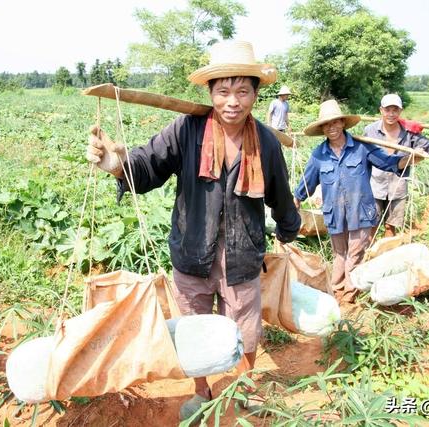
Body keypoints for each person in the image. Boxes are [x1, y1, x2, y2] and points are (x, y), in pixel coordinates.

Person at [86, 40, 301, 420]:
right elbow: (148, 164)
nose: (232, 101)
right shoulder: (187, 130)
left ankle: (243, 387)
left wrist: (288, 227)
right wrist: (116, 163)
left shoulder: (266, 141)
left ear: (255, 93)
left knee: (245, 328)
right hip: (192, 251)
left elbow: (280, 193)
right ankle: (202, 391)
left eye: (242, 91)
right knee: (194, 328)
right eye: (223, 91)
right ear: (210, 93)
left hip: (242, 255)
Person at [293, 100, 424, 303]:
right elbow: (308, 180)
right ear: (322, 129)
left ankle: (349, 294)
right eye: (327, 125)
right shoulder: (319, 154)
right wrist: (297, 198)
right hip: (334, 213)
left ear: (343, 123)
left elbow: (388, 163)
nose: (332, 128)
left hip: (360, 211)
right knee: (340, 254)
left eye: (335, 123)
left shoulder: (361, 147)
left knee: (355, 253)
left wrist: (408, 159)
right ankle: (336, 289)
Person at [365, 94, 429, 237]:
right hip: (375, 186)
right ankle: (368, 256)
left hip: (398, 186)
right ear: (381, 110)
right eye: (388, 110)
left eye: (395, 110)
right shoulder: (370, 131)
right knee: (371, 226)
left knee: (390, 226)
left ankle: (387, 256)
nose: (391, 114)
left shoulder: (409, 133)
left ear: (400, 111)